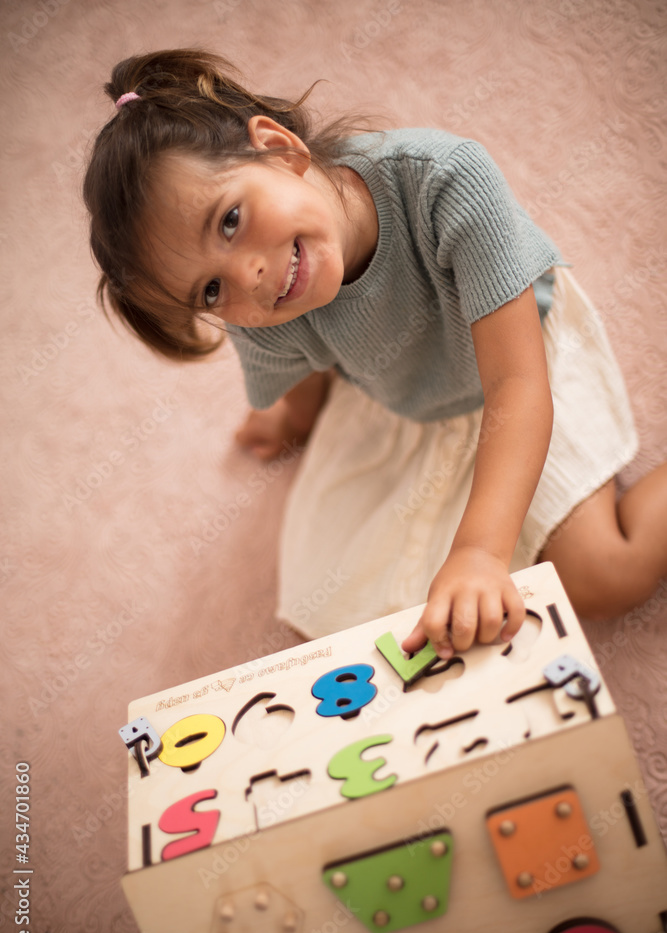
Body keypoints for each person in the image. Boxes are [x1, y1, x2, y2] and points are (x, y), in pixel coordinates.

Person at [83, 49, 667, 659]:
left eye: (230, 220)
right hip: (402, 394)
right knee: (353, 618)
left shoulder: (447, 180)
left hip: (519, 366)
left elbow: (517, 383)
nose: (248, 275)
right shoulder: (256, 305)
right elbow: (299, 358)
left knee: (607, 573)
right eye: (209, 289)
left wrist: (478, 553)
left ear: (279, 147)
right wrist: (292, 417)